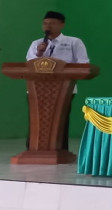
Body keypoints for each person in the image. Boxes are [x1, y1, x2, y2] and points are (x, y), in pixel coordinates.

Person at [25, 11, 89, 150]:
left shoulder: (73, 42)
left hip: (64, 88)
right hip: (37, 88)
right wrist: (39, 53)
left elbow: (83, 63)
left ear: (62, 25)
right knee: (36, 118)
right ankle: (33, 149)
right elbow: (29, 64)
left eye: (52, 23)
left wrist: (63, 67)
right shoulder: (36, 43)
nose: (48, 26)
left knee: (60, 119)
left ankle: (60, 149)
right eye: (45, 23)